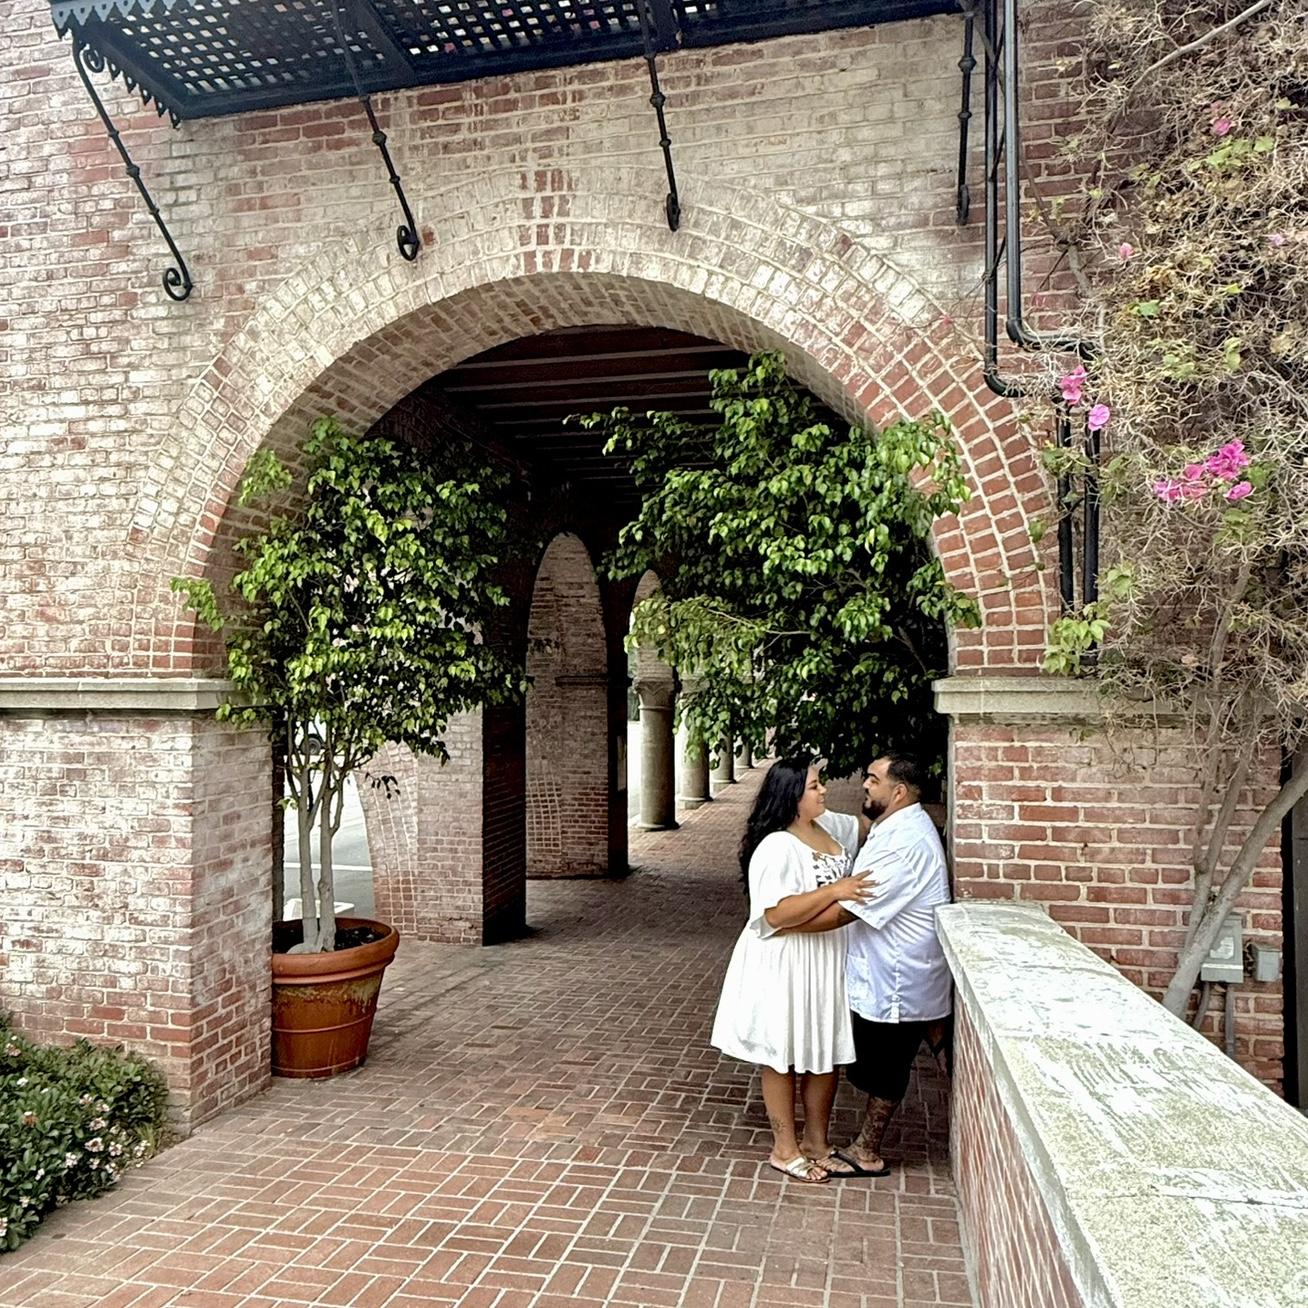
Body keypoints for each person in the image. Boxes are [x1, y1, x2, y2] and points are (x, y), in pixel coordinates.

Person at [710, 757, 876, 1184]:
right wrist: (836, 892)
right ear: (791, 796)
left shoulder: (827, 826)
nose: (823, 791)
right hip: (785, 962)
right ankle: (784, 1149)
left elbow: (869, 825)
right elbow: (776, 915)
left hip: (824, 958)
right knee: (781, 1054)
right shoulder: (775, 846)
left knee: (825, 1051)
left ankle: (817, 1142)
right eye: (814, 786)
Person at [831, 751, 952, 1179]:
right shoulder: (897, 827)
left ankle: (867, 1151)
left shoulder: (905, 844)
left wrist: (787, 920)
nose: (865, 784)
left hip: (898, 977)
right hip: (889, 970)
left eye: (873, 779)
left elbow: (849, 909)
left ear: (898, 792)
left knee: (887, 1069)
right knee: (884, 1060)